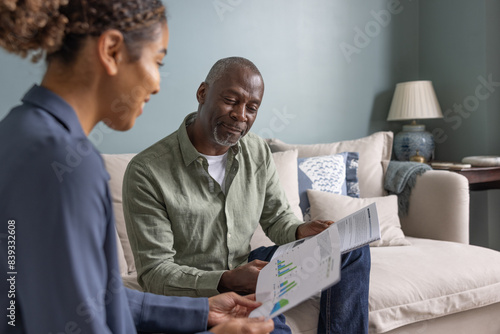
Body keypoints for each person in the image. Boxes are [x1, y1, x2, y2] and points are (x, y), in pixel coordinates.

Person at [0, 2, 274, 333]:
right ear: (112, 50)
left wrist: (201, 313)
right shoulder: (66, 163)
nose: (157, 83)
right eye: (157, 61)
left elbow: (89, 297)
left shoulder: (18, 131)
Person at [123, 56, 371, 333]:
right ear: (202, 93)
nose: (241, 115)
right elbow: (155, 274)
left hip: (250, 267)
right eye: (231, 101)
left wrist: (301, 231)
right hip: (201, 291)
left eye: (251, 108)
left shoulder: (256, 150)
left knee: (350, 247)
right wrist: (227, 279)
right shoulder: (147, 170)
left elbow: (277, 218)